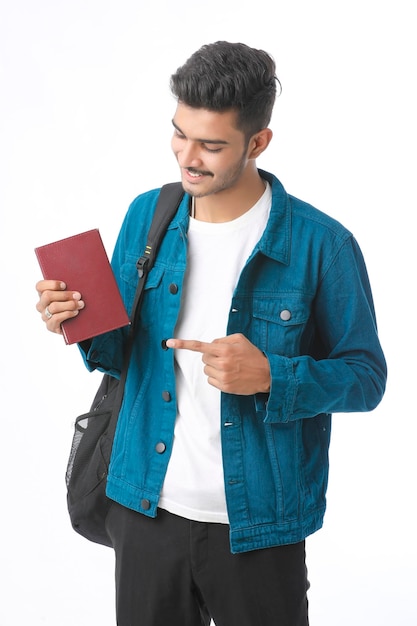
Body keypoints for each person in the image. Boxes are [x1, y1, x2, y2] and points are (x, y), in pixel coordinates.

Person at [35, 41, 387, 626]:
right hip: (144, 508)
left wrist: (274, 375)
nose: (187, 157)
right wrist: (72, 322)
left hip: (258, 527)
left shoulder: (322, 245)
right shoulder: (148, 216)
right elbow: (116, 355)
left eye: (211, 145)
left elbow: (366, 377)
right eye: (179, 134)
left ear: (258, 142)